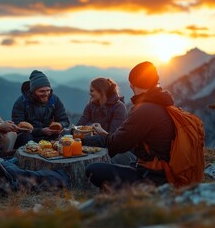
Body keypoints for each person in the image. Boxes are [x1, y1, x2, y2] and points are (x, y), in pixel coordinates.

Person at [85, 61, 176, 190]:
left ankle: (124, 198)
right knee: (124, 159)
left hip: (153, 178)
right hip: (165, 170)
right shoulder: (163, 103)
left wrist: (100, 135)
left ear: (132, 85)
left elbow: (117, 144)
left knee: (92, 170)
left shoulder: (144, 109)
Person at [77, 77, 135, 165]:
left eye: (92, 91)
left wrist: (82, 137)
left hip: (112, 151)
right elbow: (79, 126)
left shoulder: (119, 107)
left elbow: (112, 137)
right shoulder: (90, 106)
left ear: (101, 91)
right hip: (91, 147)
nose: (90, 93)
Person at [12, 70, 70, 148]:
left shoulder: (54, 100)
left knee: (68, 135)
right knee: (24, 137)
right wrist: (41, 131)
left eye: (48, 90)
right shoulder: (22, 102)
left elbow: (65, 121)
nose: (46, 94)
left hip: (49, 136)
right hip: (30, 137)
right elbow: (17, 126)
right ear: (33, 91)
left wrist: (59, 126)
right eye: (42, 91)